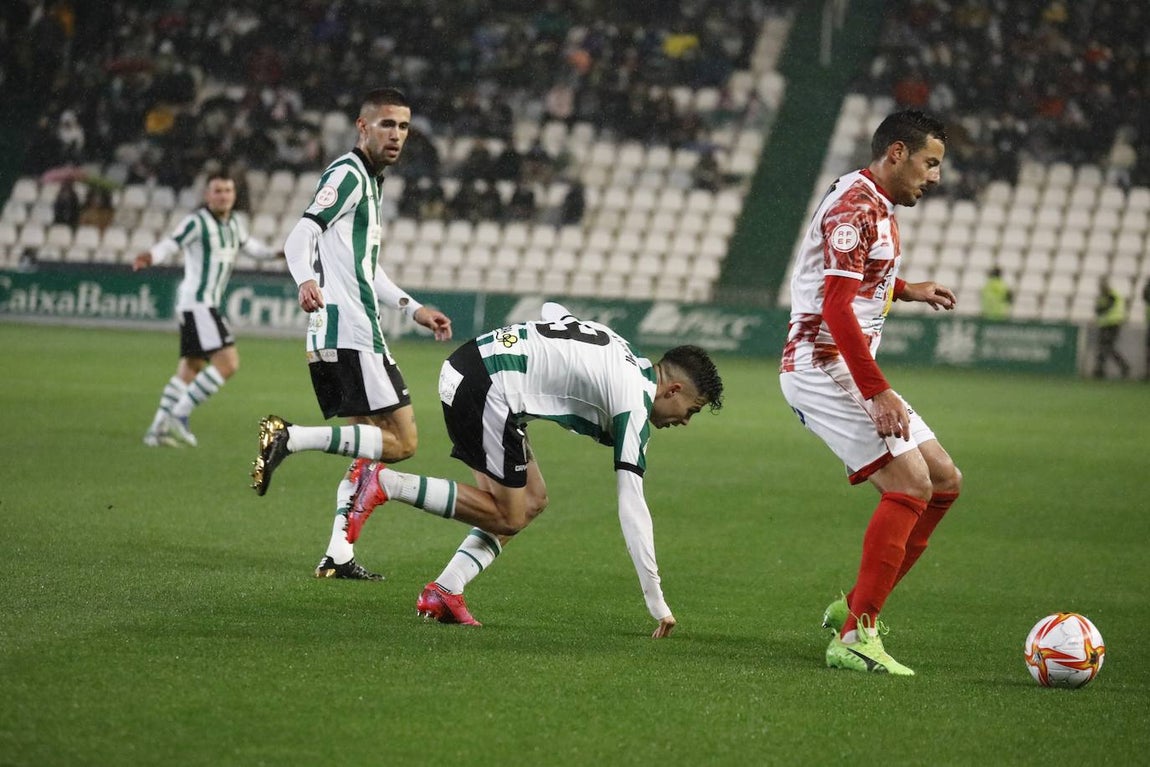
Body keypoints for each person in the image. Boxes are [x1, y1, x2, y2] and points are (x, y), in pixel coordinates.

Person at [328, 301, 724, 636]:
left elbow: (554, 310)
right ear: (673, 390)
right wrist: (657, 601)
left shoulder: (620, 350)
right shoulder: (634, 403)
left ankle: (445, 590)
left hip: (473, 372)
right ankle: (383, 481)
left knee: (532, 500)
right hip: (488, 388)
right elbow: (631, 506)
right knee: (509, 514)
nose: (685, 421)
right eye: (690, 410)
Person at [779, 110, 963, 676]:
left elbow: (857, 280)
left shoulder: (873, 203)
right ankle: (858, 632)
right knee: (910, 483)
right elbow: (835, 308)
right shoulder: (856, 208)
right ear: (898, 154)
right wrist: (878, 391)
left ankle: (856, 609)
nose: (934, 177)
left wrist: (906, 290)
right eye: (930, 163)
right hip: (820, 362)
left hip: (842, 362)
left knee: (944, 484)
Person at [249, 87, 453, 581]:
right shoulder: (347, 175)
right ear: (362, 127)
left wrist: (411, 307)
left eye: (404, 127)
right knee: (402, 442)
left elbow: (366, 269)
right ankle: (290, 437)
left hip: (332, 334)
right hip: (353, 333)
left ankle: (338, 552)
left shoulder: (370, 182)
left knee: (370, 447)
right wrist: (304, 279)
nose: (397, 135)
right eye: (387, 124)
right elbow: (300, 234)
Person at [134, 172, 281, 447]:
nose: (223, 195)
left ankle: (156, 430)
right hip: (197, 303)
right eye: (217, 190)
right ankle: (179, 415)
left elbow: (252, 248)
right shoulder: (197, 222)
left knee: (191, 367)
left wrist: (278, 253)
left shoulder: (236, 223)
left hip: (204, 304)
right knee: (228, 363)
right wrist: (150, 256)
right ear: (207, 195)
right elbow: (171, 243)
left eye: (227, 190)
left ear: (234, 195)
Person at [1093, 276, 1130, 379]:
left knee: (1108, 347)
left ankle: (1123, 367)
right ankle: (1100, 370)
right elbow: (1097, 309)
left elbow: (1105, 308)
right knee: (1103, 347)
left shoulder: (1113, 295)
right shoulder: (1103, 296)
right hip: (1104, 324)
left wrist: (1101, 309)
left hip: (1113, 324)